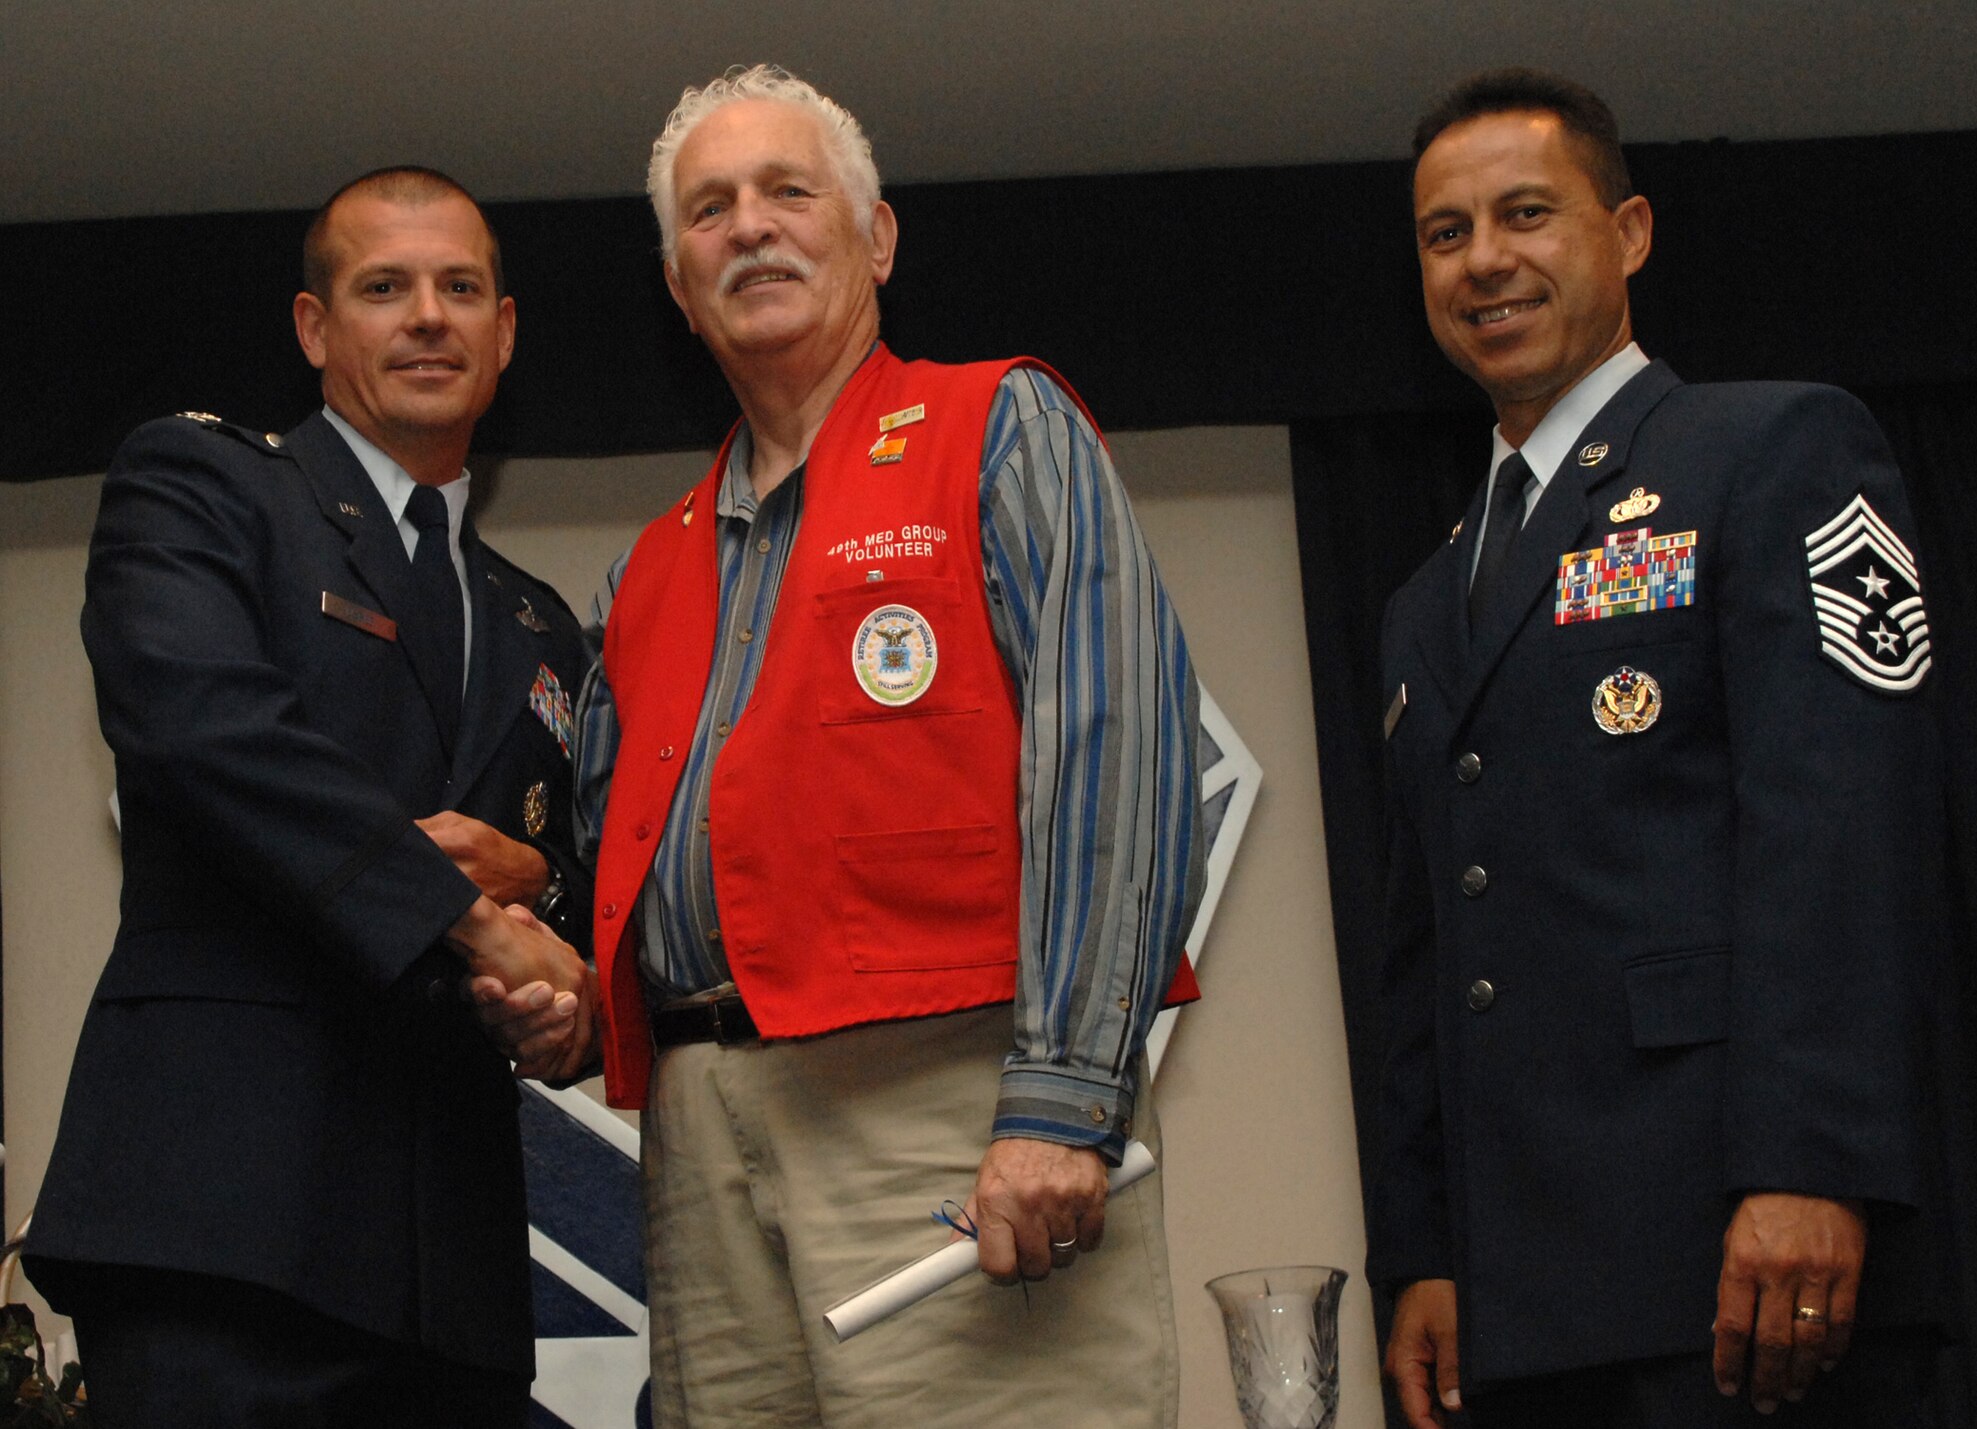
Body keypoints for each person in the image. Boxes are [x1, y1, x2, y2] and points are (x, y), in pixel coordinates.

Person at [573, 64, 1204, 1428]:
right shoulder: (645, 572)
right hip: (698, 1132)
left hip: (946, 1098)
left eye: (788, 192)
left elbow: (1114, 755)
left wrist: (1062, 1100)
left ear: (877, 238)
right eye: (709, 210)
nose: (749, 226)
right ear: (677, 284)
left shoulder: (1000, 428)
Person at [1370, 69, 1944, 1429]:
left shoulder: (1768, 447)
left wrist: (1811, 1165)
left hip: (1742, 1260)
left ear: (1626, 233)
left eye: (1525, 213)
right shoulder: (1424, 599)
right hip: (1521, 1299)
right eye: (1446, 233)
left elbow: (1840, 827)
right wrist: (1429, 1249)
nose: (1483, 260)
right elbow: (1429, 951)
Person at [25, 167, 596, 1428]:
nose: (428, 316)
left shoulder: (540, 625)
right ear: (314, 327)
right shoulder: (202, 484)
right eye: (384, 287)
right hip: (220, 1220)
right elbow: (208, 733)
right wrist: (468, 913)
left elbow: (574, 879)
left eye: (461, 288)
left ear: (504, 332)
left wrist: (563, 987)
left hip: (450, 1272)